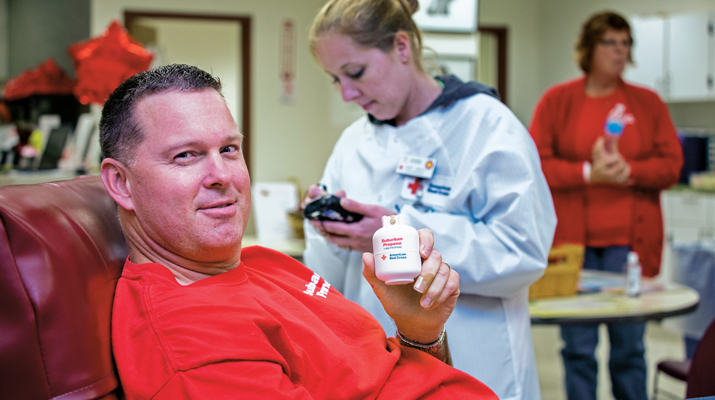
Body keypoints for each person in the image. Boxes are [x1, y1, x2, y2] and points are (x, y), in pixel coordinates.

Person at [99, 64, 497, 399]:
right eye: (186, 156)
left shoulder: (261, 262)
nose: (222, 176)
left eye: (229, 149)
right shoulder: (196, 345)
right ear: (120, 183)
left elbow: (402, 381)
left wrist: (420, 332)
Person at [302, 1, 557, 399]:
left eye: (355, 73)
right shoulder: (354, 143)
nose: (348, 93)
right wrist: (327, 229)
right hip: (378, 361)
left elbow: (524, 250)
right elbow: (329, 277)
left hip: (477, 357)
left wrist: (400, 234)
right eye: (335, 79)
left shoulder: (487, 126)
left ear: (401, 47)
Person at [529, 11, 683, 400]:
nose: (619, 51)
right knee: (578, 348)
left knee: (629, 347)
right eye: (609, 43)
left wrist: (629, 170)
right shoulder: (558, 101)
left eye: (625, 42)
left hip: (628, 246)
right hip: (572, 248)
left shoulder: (647, 103)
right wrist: (586, 174)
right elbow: (535, 165)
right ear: (589, 48)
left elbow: (671, 166)